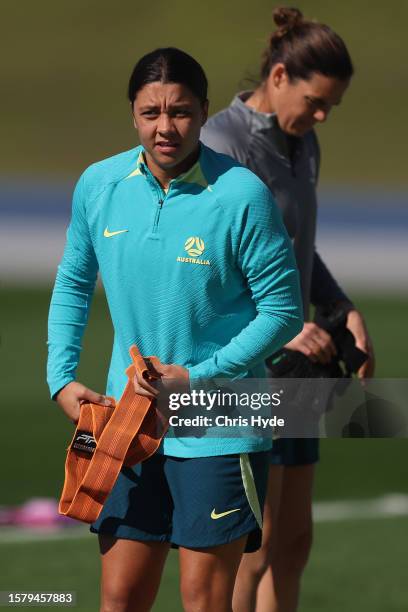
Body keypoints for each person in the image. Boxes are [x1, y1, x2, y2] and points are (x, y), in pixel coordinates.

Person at [47, 47, 303, 612]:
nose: (165, 127)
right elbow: (71, 283)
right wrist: (61, 378)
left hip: (221, 419)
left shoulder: (241, 195)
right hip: (129, 421)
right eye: (150, 112)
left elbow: (284, 312)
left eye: (181, 112)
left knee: (204, 600)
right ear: (133, 114)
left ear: (205, 112)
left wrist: (197, 376)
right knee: (119, 597)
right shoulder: (100, 184)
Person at [201, 7, 375, 612]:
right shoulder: (221, 143)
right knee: (255, 542)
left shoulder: (304, 143)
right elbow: (212, 263)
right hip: (246, 361)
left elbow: (296, 245)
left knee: (293, 541)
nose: (322, 116)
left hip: (295, 366)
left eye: (332, 106)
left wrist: (339, 305)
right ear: (278, 76)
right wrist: (283, 322)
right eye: (316, 101)